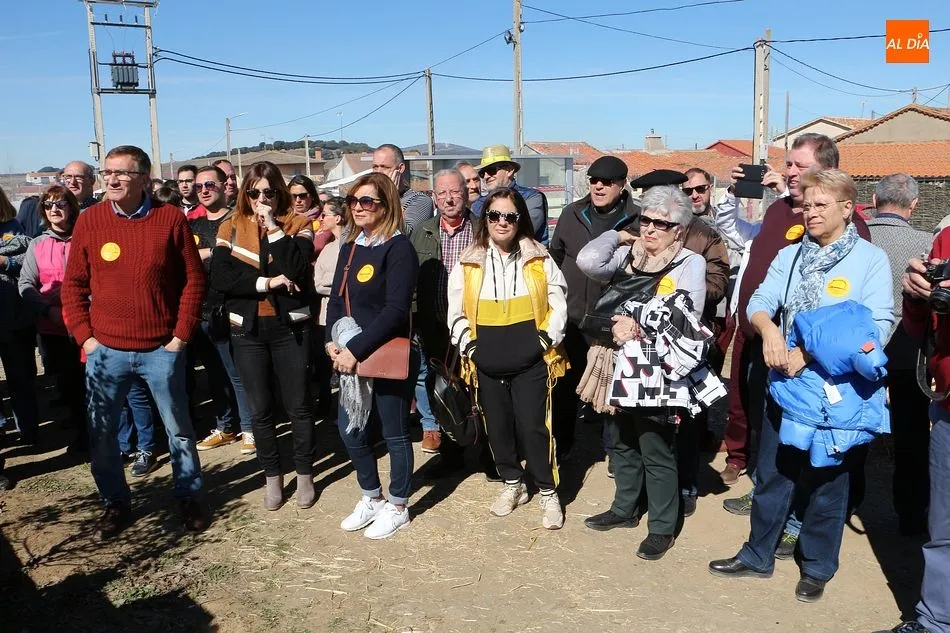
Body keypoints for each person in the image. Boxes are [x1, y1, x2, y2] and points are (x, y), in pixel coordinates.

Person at [708, 169, 893, 603]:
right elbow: (758, 300)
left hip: (838, 394)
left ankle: (817, 566)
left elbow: (878, 325)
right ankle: (758, 554)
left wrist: (809, 353)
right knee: (773, 473)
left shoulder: (870, 260)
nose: (810, 212)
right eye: (807, 205)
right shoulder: (791, 256)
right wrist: (769, 330)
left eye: (820, 205)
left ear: (847, 208)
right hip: (787, 385)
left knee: (828, 482)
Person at [718, 134, 872, 530]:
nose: (789, 171)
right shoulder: (779, 209)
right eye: (788, 164)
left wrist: (805, 350)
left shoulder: (847, 226)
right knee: (770, 428)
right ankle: (768, 493)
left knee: (809, 440)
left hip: (810, 359)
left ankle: (798, 520)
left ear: (827, 171)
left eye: (799, 166)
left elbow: (851, 310)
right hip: (765, 343)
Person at [61, 144, 208, 539]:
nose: (112, 179)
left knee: (178, 430)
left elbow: (194, 280)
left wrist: (180, 336)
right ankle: (115, 504)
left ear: (143, 178)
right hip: (105, 352)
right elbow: (73, 285)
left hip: (161, 350)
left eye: (121, 173)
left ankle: (189, 496)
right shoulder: (90, 221)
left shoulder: (170, 219)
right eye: (107, 172)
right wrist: (86, 339)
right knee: (102, 434)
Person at [576, 185, 708, 560]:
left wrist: (636, 327)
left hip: (655, 365)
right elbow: (587, 260)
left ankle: (662, 527)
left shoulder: (689, 263)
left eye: (660, 223)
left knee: (655, 445)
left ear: (679, 229)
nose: (649, 229)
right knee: (621, 439)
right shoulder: (628, 254)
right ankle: (625, 508)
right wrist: (617, 235)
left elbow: (688, 317)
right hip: (615, 359)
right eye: (645, 220)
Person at [448, 188, 568, 529]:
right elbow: (455, 311)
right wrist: (471, 348)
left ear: (520, 220)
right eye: (494, 215)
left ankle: (547, 491)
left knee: (534, 427)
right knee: (497, 428)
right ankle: (513, 483)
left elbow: (559, 302)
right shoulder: (468, 262)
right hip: (486, 362)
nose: (502, 222)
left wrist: (543, 340)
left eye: (510, 216)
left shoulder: (539, 258)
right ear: (485, 219)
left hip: (532, 361)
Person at [209, 161, 316, 510]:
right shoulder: (230, 226)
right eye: (254, 192)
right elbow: (221, 279)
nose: (261, 198)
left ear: (279, 192)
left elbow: (296, 270)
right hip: (248, 330)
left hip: (290, 327)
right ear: (244, 193)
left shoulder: (298, 223)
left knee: (298, 405)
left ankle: (305, 473)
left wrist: (272, 226)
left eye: (269, 192)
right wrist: (267, 283)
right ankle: (272, 475)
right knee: (260, 409)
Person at [326, 172, 419, 539]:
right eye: (353, 201)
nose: (358, 207)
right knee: (350, 430)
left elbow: (395, 311)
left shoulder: (398, 248)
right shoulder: (351, 246)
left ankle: (398, 505)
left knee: (394, 433)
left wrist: (356, 350)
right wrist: (331, 342)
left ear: (386, 205)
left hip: (384, 353)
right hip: (348, 352)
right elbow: (336, 301)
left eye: (367, 201)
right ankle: (371, 495)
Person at [549, 156, 638, 467]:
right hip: (572, 317)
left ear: (622, 184)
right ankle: (562, 446)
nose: (598, 186)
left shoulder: (636, 218)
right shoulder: (572, 213)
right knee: (564, 387)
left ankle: (615, 453)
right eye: (593, 180)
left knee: (612, 388)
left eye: (607, 181)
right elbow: (555, 257)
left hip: (612, 320)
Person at [888, 230, 950, 633]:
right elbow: (919, 330)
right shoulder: (946, 239)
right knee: (943, 527)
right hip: (947, 406)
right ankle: (936, 621)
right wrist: (915, 296)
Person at [867, 174, 935, 537]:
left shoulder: (858, 238)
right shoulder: (926, 244)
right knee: (912, 432)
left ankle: (846, 499)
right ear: (914, 205)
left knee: (852, 422)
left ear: (874, 200)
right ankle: (910, 514)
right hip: (910, 347)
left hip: (861, 345)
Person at [186, 165, 255, 456]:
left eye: (209, 185)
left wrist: (208, 253)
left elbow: (241, 260)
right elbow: (183, 260)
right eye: (199, 186)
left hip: (232, 308)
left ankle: (249, 428)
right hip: (201, 309)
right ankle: (226, 426)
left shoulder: (239, 221)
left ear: (224, 185)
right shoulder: (192, 225)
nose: (203, 190)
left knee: (238, 373)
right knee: (214, 373)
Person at [410, 169, 478, 456]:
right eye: (442, 193)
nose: (449, 199)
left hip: (474, 325)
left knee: (477, 389)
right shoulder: (422, 231)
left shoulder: (481, 229)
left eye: (454, 192)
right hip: (435, 325)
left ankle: (487, 454)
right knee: (441, 389)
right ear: (434, 197)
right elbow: (413, 281)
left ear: (466, 193)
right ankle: (451, 455)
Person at [18, 185, 87, 453]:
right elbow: (26, 284)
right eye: (48, 205)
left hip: (86, 322)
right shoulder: (37, 244)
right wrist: (48, 309)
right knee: (68, 383)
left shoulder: (85, 238)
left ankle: (100, 435)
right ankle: (81, 434)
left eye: (60, 204)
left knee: (91, 382)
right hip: (53, 326)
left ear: (71, 206)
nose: (54, 209)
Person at [0, 186, 39, 446]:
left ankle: (29, 429)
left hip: (15, 318)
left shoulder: (13, 227)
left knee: (21, 378)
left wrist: (7, 262)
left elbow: (32, 262)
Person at [470, 145, 549, 245]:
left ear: (509, 170)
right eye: (482, 173)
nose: (486, 176)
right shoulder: (478, 204)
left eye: (491, 170)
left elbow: (525, 231)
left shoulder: (532, 198)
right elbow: (477, 234)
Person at [312, 196, 346, 416]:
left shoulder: (352, 245)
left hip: (346, 318)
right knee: (325, 364)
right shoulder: (327, 248)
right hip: (325, 316)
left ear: (338, 218)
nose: (321, 219)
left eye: (325, 214)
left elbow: (346, 283)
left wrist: (330, 283)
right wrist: (334, 284)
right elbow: (317, 283)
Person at [18, 162, 97, 238]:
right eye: (68, 177)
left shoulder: (99, 210)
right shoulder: (52, 208)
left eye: (79, 177)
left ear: (92, 180)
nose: (72, 182)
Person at [371, 143, 434, 235]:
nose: (379, 172)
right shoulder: (367, 199)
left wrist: (390, 197)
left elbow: (407, 234)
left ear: (400, 168)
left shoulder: (420, 200)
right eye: (375, 167)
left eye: (385, 167)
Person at [289, 175, 333, 258]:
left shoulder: (324, 218)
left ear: (312, 196)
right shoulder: (284, 219)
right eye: (293, 196)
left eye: (302, 195)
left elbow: (317, 247)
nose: (298, 200)